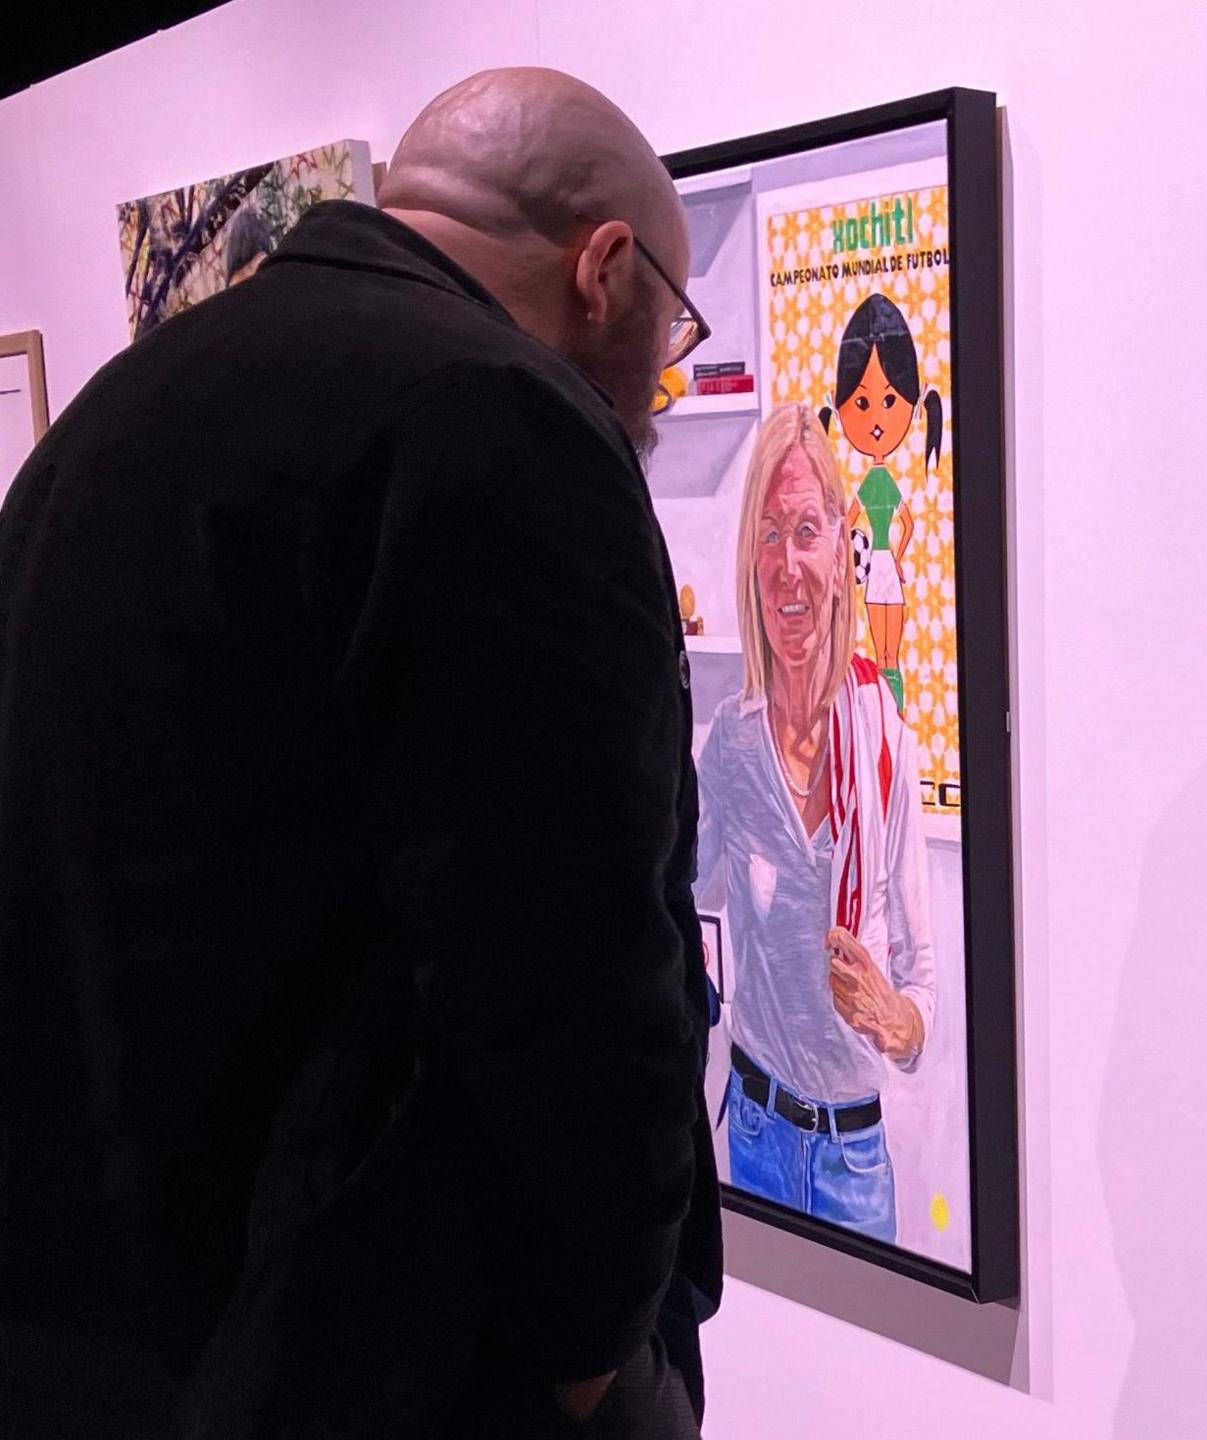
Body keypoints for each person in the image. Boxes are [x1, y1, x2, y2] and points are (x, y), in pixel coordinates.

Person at [0, 69, 720, 1438]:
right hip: (369, 1356)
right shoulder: (497, 421)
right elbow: (566, 961)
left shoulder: (125, 408)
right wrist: (597, 1358)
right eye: (672, 326)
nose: (666, 378)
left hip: (106, 1330)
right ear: (606, 269)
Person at [696, 403, 936, 1243]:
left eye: (805, 530)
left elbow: (922, 985)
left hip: (854, 1161)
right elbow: (678, 882)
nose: (788, 564)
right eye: (768, 536)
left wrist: (896, 1018)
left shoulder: (886, 742)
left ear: (842, 547)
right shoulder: (730, 743)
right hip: (754, 1136)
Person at [817, 294, 942, 715]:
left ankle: (895, 722)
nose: (874, 420)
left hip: (882, 571)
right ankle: (892, 720)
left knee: (887, 654)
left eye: (889, 401)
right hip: (883, 571)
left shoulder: (877, 484)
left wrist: (884, 556)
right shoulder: (877, 484)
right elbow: (859, 524)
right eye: (862, 403)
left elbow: (853, 523)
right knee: (886, 655)